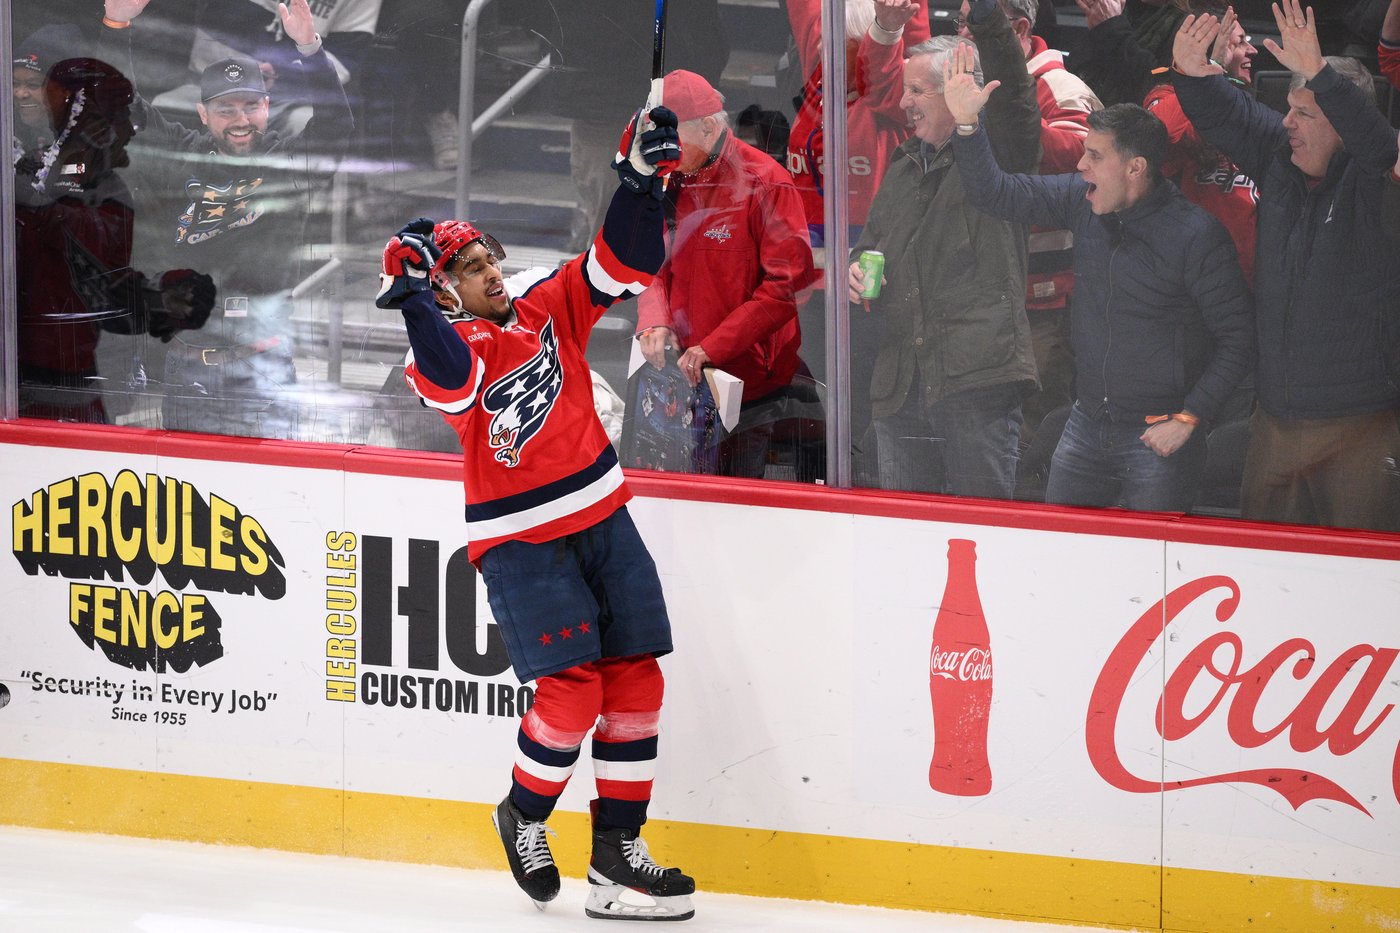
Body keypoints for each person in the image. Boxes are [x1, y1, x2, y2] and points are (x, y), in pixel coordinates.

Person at [374, 104, 696, 920]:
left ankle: (617, 858)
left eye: (490, 258)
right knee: (571, 694)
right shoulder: (443, 346)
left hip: (603, 513)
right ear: (444, 286)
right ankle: (523, 813)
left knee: (638, 680)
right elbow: (451, 384)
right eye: (469, 267)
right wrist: (413, 299)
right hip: (521, 541)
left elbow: (624, 262)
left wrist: (639, 182)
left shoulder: (547, 306)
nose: (490, 272)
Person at [949, 37, 1254, 511]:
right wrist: (967, 126)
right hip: (1086, 423)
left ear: (1134, 168)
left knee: (1153, 576)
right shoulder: (1081, 198)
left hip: (1159, 435)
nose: (1080, 163)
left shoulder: (1196, 236)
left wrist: (1191, 418)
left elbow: (1238, 339)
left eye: (1094, 156)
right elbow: (996, 194)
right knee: (1063, 553)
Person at [1172, 2, 1400, 531]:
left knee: (1356, 581)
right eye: (1290, 108)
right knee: (1265, 575)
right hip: (1274, 420)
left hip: (1360, 425)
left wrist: (1323, 72)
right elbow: (1225, 114)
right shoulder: (1281, 156)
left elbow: (1381, 148)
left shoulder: (1374, 180)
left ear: (1342, 124)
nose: (1288, 122)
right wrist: (1186, 71)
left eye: (1306, 113)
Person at [97, 0, 353, 439]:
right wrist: (116, 25)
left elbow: (337, 126)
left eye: (250, 106)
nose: (240, 120)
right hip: (185, 369)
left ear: (267, 107)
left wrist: (310, 49)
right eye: (225, 109)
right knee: (191, 500)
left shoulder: (286, 164)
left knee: (272, 496)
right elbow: (119, 109)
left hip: (262, 371)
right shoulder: (180, 157)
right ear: (202, 115)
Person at [846, 8, 1041, 500]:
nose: (904, 102)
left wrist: (991, 16)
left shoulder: (1000, 154)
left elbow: (1015, 96)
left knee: (984, 533)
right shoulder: (905, 161)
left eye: (917, 91)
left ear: (959, 92)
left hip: (975, 384)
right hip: (901, 385)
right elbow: (873, 244)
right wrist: (856, 268)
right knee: (902, 542)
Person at [635, 70, 819, 479]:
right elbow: (650, 265)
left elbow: (786, 287)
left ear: (708, 126)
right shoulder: (668, 178)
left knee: (731, 505)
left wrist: (712, 348)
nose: (664, 149)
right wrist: (653, 321)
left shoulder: (766, 182)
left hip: (747, 388)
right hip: (680, 379)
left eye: (673, 137)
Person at [15, 56, 213, 423]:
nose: (125, 129)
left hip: (91, 361)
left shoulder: (114, 186)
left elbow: (106, 263)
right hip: (29, 358)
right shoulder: (34, 166)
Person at [957, 0, 1102, 459]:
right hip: (979, 295)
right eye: (961, 20)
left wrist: (1010, 122)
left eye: (971, 22)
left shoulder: (1058, 85)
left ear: (1018, 27)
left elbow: (1084, 163)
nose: (963, 31)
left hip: (1041, 298)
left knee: (1031, 437)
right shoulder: (961, 78)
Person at [784, 0, 919, 243]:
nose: (826, 53)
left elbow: (884, 64)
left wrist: (887, 28)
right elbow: (804, 9)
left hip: (870, 247)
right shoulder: (818, 80)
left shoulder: (896, 95)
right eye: (826, 42)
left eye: (843, 45)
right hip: (807, 239)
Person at [1143, 4, 1259, 287]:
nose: (1252, 51)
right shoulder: (1165, 96)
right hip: (1193, 279)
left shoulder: (1246, 105)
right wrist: (1211, 70)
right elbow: (1157, 137)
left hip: (1252, 279)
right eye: (1240, 42)